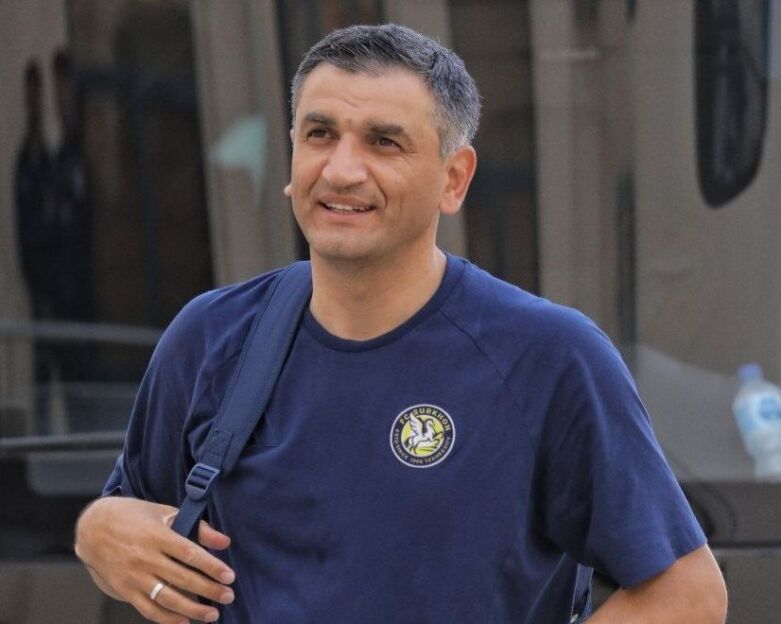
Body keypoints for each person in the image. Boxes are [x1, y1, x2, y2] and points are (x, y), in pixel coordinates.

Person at [75, 24, 727, 624]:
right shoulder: (211, 336)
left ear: (454, 179)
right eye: (319, 134)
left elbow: (687, 594)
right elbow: (126, 513)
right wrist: (97, 531)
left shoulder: (548, 357)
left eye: (383, 142)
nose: (341, 170)